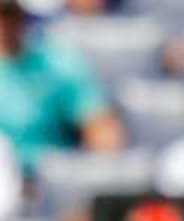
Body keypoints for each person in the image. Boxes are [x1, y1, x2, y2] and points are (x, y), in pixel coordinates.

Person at [0, 0, 123, 171]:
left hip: (45, 181)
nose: (7, 22)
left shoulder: (59, 61)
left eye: (12, 13)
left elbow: (101, 130)